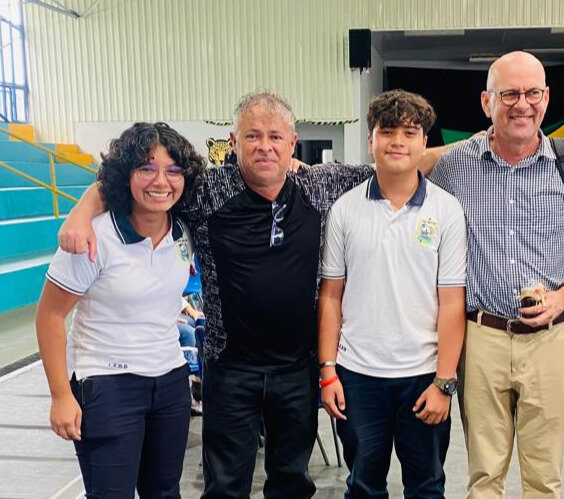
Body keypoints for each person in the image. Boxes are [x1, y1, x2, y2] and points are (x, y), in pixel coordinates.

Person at [56, 90, 455, 499]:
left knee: (291, 482)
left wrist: (487, 139)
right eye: (253, 136)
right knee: (226, 486)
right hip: (230, 370)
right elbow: (141, 179)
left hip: (297, 371)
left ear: (292, 143)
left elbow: (400, 159)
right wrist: (83, 211)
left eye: (275, 137)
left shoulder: (322, 185)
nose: (265, 146)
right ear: (234, 142)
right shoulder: (206, 191)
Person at [428, 51, 564, 498]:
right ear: (486, 101)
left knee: (543, 480)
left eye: (532, 92)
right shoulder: (456, 166)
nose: (522, 104)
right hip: (481, 339)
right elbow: (399, 167)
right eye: (509, 93)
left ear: (546, 98)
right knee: (484, 477)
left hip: (552, 338)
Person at [35, 122, 205, 498]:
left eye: (173, 170)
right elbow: (48, 316)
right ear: (125, 174)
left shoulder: (184, 230)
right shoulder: (94, 236)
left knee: (164, 492)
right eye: (146, 168)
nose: (161, 181)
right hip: (108, 386)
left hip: (170, 382)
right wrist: (61, 395)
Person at [318, 90, 467, 498]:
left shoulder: (447, 211)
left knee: (427, 486)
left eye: (409, 131)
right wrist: (328, 370)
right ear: (371, 142)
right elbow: (331, 296)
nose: (397, 141)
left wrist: (445, 383)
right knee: (363, 485)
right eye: (387, 132)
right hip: (358, 377)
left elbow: (453, 302)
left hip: (423, 377)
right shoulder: (345, 210)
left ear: (423, 142)